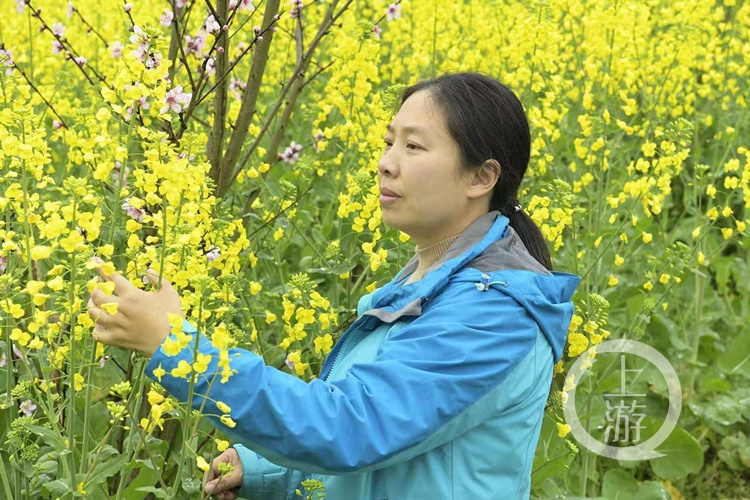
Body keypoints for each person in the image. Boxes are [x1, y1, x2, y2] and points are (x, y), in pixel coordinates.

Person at [87, 72, 581, 500]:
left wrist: (177, 347)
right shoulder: (428, 281)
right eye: (389, 142)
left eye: (413, 146)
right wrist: (268, 472)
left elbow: (350, 428)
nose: (386, 162)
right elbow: (394, 446)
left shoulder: (493, 314)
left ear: (481, 176)